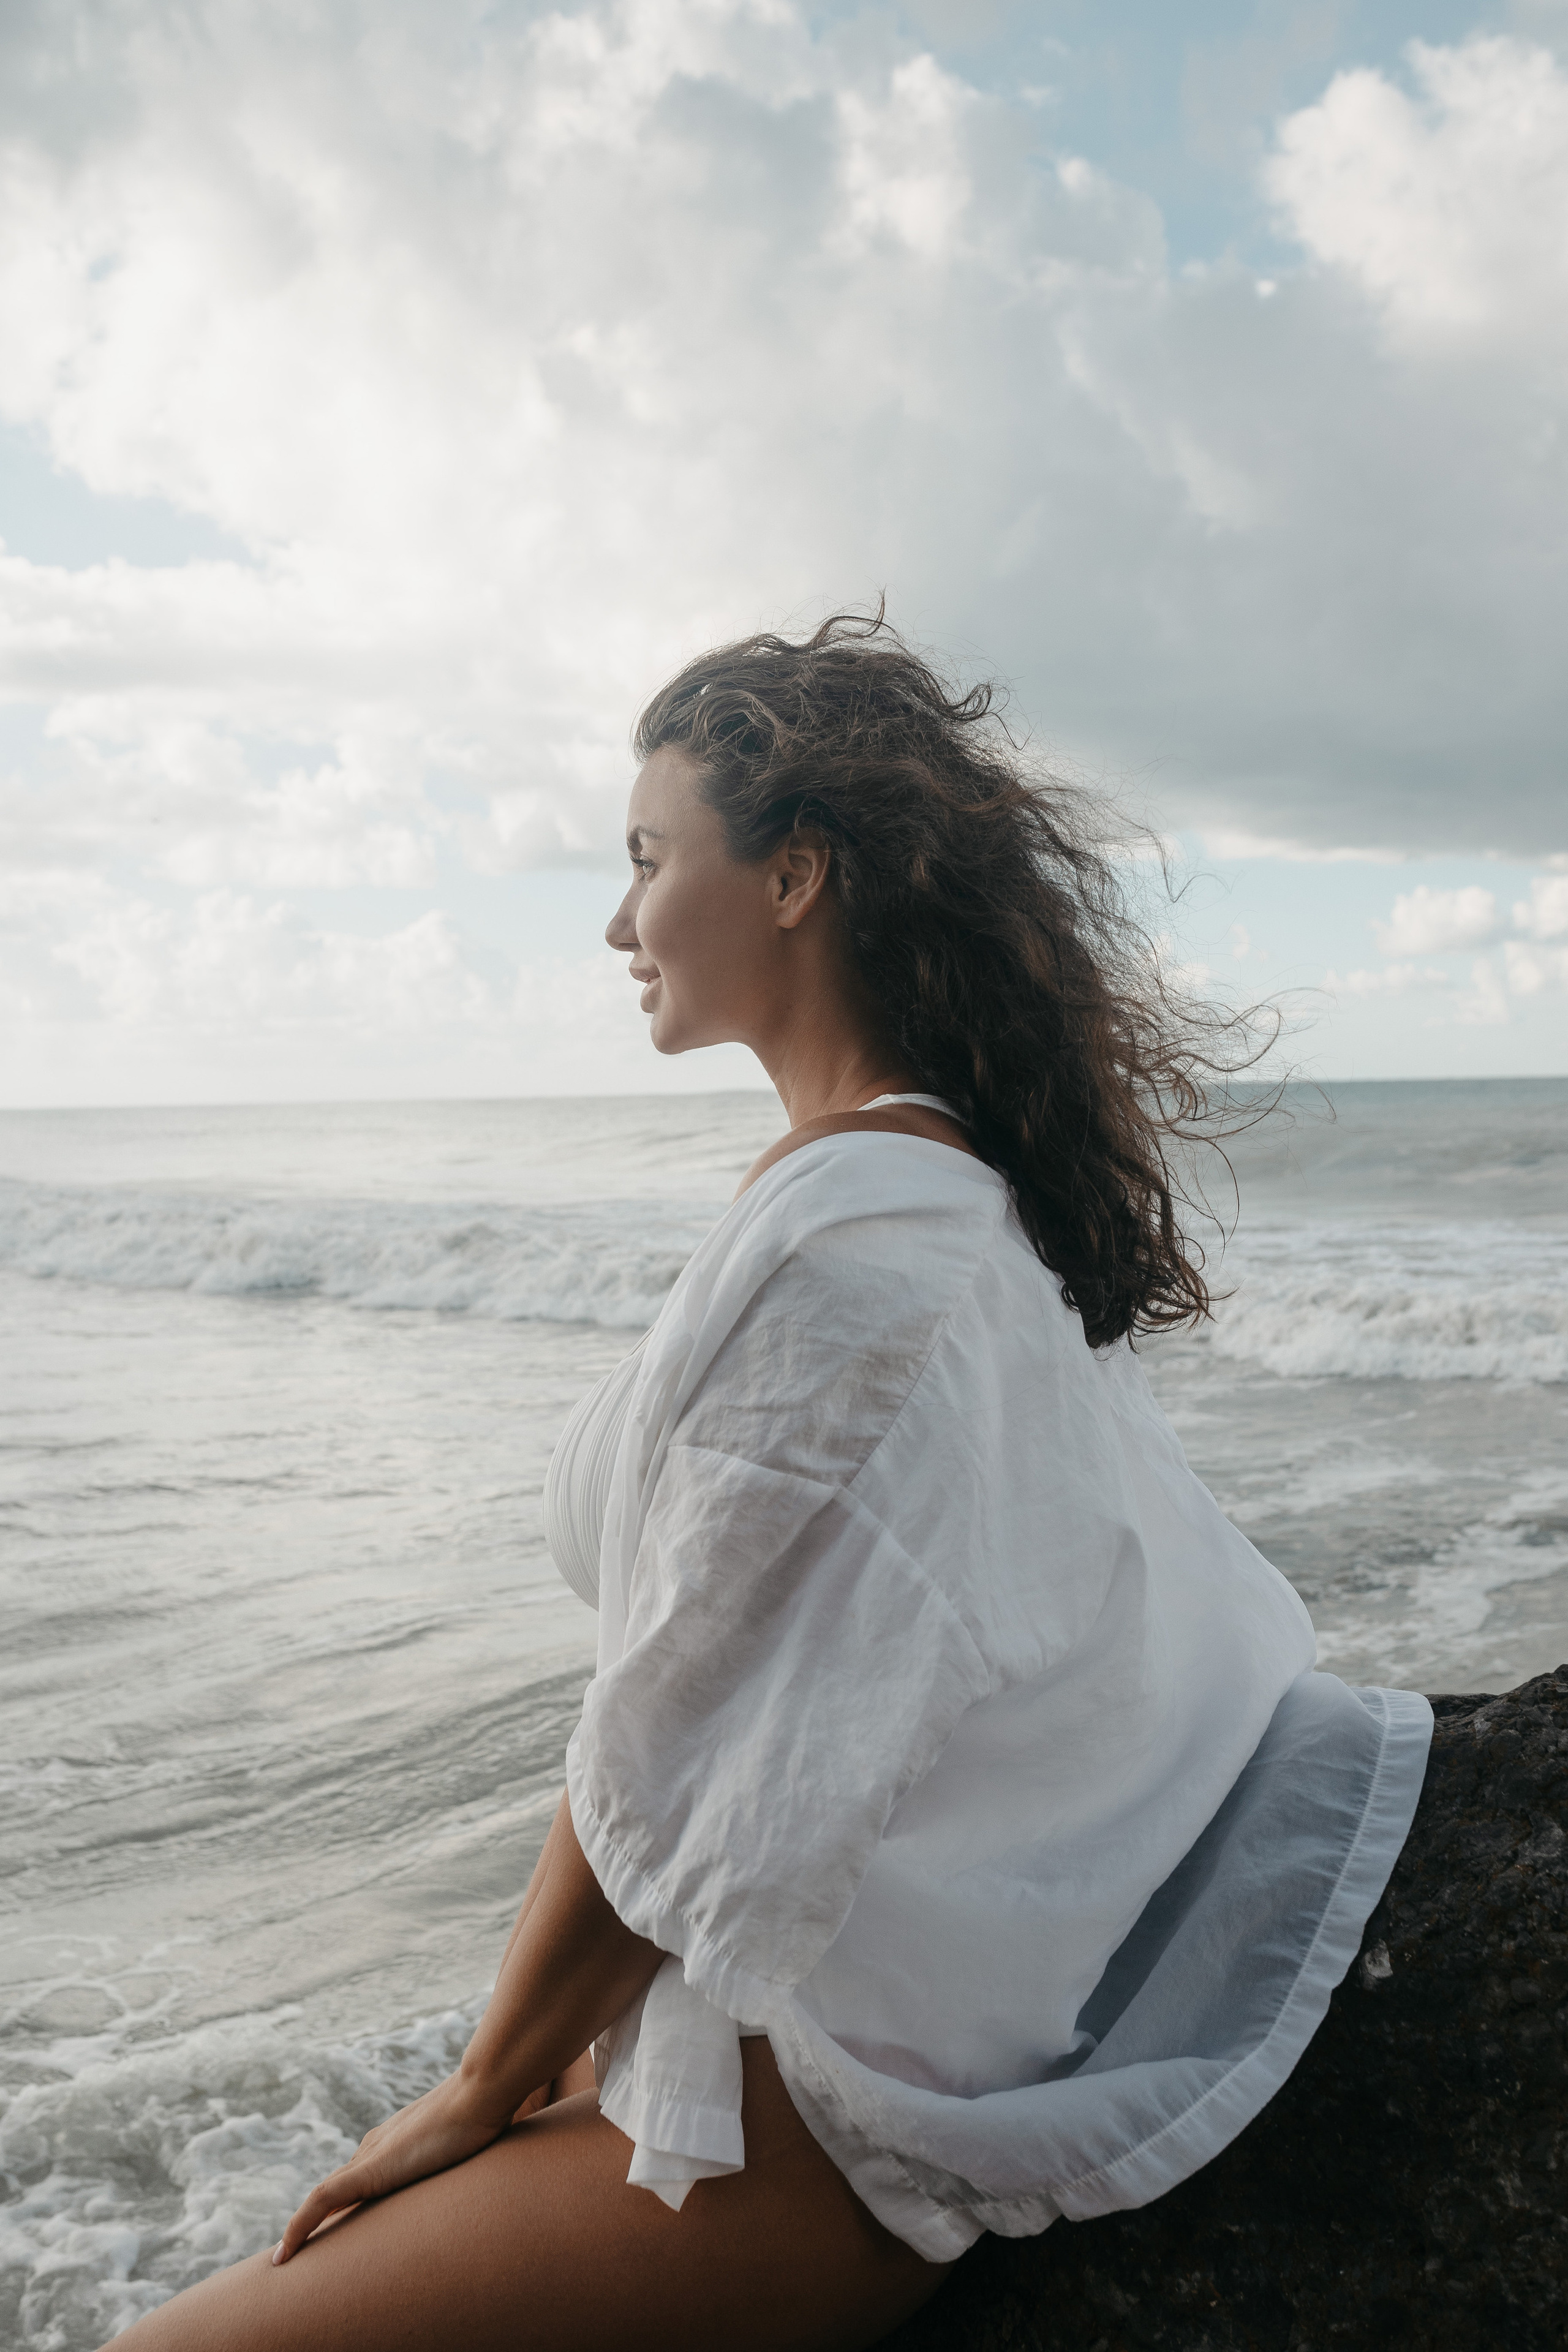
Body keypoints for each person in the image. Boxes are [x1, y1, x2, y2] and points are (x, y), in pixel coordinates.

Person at [105, 614, 1430, 2352]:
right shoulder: (919, 1198)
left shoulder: (862, 1255)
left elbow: (689, 1731)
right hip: (754, 2037)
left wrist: (480, 2086)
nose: (615, 918)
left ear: (795, 872)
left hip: (823, 2109)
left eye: (649, 859)